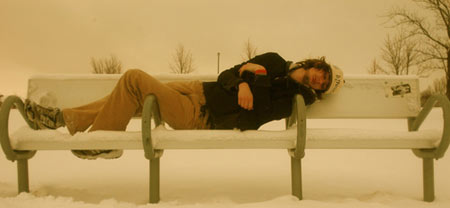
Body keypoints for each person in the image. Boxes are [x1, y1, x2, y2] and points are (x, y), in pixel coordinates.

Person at [24, 52, 344, 159]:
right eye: (322, 73)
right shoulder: (274, 60)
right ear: (316, 63)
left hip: (202, 116)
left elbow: (254, 114)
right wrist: (244, 79)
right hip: (198, 90)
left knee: (134, 79)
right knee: (130, 95)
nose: (319, 79)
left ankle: (104, 142)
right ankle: (64, 119)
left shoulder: (293, 99)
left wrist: (250, 78)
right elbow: (227, 75)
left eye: (323, 84)